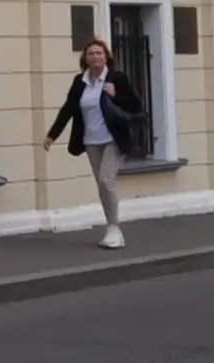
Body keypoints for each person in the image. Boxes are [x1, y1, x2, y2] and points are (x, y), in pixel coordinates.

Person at [46, 39, 146, 249]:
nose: (95, 57)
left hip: (114, 139)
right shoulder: (80, 82)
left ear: (106, 57)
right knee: (102, 185)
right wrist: (52, 135)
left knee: (105, 180)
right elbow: (68, 109)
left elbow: (136, 105)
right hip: (91, 141)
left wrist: (116, 95)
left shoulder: (116, 78)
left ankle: (114, 228)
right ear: (85, 58)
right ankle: (111, 227)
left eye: (99, 53)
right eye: (91, 53)